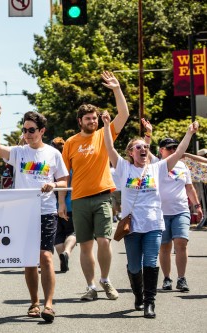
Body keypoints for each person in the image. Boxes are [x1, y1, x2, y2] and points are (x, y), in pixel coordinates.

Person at [102, 110, 198, 318]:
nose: (144, 149)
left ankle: (149, 303)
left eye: (146, 147)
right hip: (132, 227)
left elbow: (178, 152)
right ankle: (138, 294)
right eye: (139, 147)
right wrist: (107, 126)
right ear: (130, 152)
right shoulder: (123, 168)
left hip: (154, 224)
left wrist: (189, 133)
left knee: (150, 263)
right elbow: (108, 147)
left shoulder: (157, 168)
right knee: (135, 266)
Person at [0, 104, 68, 323]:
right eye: (24, 130)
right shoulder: (18, 152)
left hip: (46, 210)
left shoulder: (53, 154)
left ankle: (49, 304)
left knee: (46, 256)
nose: (27, 134)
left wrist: (54, 185)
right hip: (23, 211)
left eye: (31, 130)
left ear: (42, 131)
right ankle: (34, 302)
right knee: (29, 260)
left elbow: (63, 180)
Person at [58, 71, 129, 301]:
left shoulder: (104, 134)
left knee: (104, 240)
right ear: (80, 121)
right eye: (88, 118)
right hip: (78, 200)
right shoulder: (70, 143)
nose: (93, 121)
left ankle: (105, 280)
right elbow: (64, 175)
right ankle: (90, 286)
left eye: (95, 118)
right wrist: (61, 203)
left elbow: (124, 114)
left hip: (102, 196)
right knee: (85, 245)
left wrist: (116, 89)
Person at [156, 137, 203, 292]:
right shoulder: (156, 166)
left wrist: (197, 206)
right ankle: (167, 278)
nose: (173, 150)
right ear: (161, 150)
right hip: (161, 212)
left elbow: (189, 188)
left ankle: (181, 278)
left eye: (175, 148)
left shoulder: (183, 166)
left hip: (181, 210)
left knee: (181, 243)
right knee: (165, 246)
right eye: (169, 148)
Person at [51, 137, 76, 273]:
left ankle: (62, 258)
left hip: (51, 206)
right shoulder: (70, 165)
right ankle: (66, 252)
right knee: (73, 231)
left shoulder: (50, 164)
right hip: (70, 204)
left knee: (58, 234)